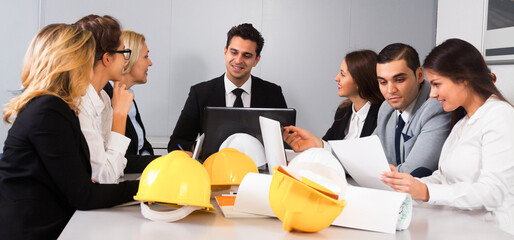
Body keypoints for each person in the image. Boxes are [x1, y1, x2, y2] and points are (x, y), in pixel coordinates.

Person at [0, 24, 138, 239]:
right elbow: (84, 195)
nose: (92, 70)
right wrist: (147, 188)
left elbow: (84, 181)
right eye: (88, 62)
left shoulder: (56, 107)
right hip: (35, 230)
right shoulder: (48, 110)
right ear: (71, 65)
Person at [381, 38, 514, 234]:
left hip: (492, 231)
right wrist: (407, 184)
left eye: (436, 84)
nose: (432, 94)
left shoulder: (500, 116)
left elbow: (493, 192)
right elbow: (443, 178)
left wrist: (426, 192)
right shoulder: (463, 123)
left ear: (464, 79)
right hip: (457, 227)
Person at [167, 23, 287, 154]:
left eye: (246, 56)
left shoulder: (273, 93)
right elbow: (176, 143)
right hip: (213, 169)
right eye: (234, 52)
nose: (238, 60)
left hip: (258, 171)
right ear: (225, 52)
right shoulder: (200, 93)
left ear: (256, 60)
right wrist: (201, 149)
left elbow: (285, 143)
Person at [373, 43, 451, 177]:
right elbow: (366, 153)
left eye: (399, 80)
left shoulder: (437, 107)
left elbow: (413, 172)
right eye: (383, 82)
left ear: (420, 75)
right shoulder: (386, 108)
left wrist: (369, 174)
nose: (390, 90)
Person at [283, 50, 384, 150]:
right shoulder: (343, 112)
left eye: (342, 74)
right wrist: (310, 142)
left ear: (360, 80)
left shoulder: (383, 116)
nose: (336, 78)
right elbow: (327, 145)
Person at [75, 15, 135, 183]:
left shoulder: (104, 98)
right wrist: (120, 115)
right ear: (107, 58)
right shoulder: (80, 102)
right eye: (124, 52)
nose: (126, 59)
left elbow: (116, 168)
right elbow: (104, 176)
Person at [103, 30, 158, 173]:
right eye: (146, 57)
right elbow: (122, 158)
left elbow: (142, 146)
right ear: (128, 59)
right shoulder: (105, 98)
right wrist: (161, 161)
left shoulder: (128, 95)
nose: (150, 63)